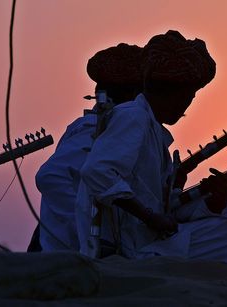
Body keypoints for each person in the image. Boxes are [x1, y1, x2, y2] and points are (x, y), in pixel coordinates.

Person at [76, 30, 227, 276]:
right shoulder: (133, 117)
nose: (187, 106)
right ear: (172, 91)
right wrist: (152, 218)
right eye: (189, 96)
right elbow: (97, 172)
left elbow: (159, 203)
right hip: (135, 251)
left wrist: (207, 201)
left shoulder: (151, 128)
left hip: (149, 241)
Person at [33, 43, 143, 252]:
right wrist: (86, 233)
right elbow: (51, 176)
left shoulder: (108, 128)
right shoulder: (93, 130)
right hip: (67, 259)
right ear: (135, 93)